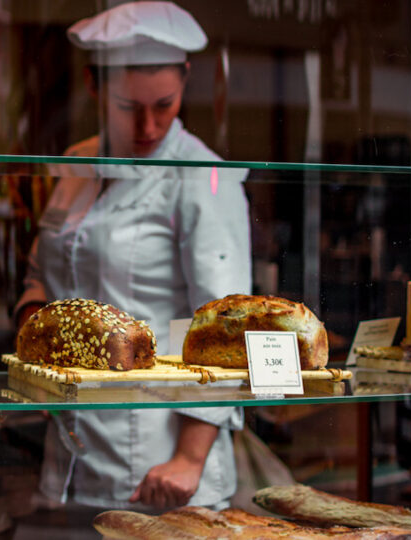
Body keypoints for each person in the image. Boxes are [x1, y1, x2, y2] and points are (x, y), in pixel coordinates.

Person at [14, 2, 252, 511]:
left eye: (164, 104)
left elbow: (225, 331)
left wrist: (189, 459)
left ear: (186, 80)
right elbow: (42, 274)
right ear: (93, 86)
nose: (148, 125)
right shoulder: (77, 164)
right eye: (127, 106)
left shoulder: (204, 176)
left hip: (159, 466)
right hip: (70, 456)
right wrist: (36, 338)